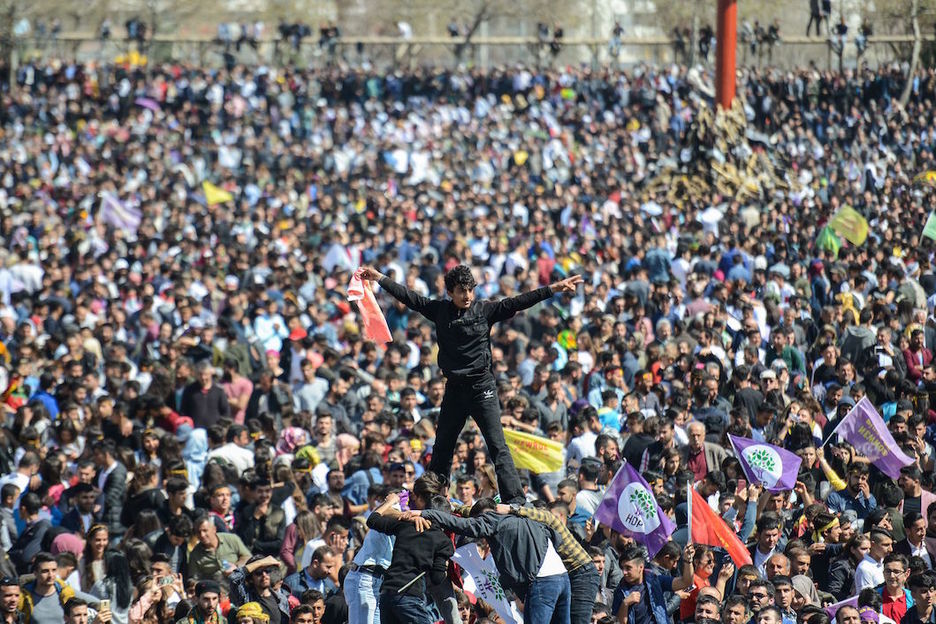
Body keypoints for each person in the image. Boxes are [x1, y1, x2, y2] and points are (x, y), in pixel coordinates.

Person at [357, 265, 581, 503]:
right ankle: (434, 495)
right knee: (442, 446)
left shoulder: (484, 310)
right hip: (454, 389)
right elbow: (409, 297)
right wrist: (379, 278)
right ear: (450, 292)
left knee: (497, 445)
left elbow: (518, 302)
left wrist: (552, 289)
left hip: (482, 388)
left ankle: (514, 499)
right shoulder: (439, 311)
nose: (467, 296)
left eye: (470, 290)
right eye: (461, 291)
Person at [406, 496, 571, 624]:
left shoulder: (492, 520)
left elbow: (461, 525)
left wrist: (425, 513)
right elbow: (556, 537)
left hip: (543, 582)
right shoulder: (522, 517)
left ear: (484, 516)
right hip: (562, 577)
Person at [365, 491, 454, 624]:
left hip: (387, 593)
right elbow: (437, 578)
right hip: (409, 596)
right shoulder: (443, 542)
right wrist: (443, 567)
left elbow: (372, 520)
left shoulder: (407, 525)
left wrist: (389, 502)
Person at [612, 543, 696, 624]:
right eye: (622, 568)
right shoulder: (621, 591)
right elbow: (620, 622)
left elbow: (685, 582)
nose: (624, 572)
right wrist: (625, 603)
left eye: (628, 568)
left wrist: (688, 560)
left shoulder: (654, 580)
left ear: (641, 567)